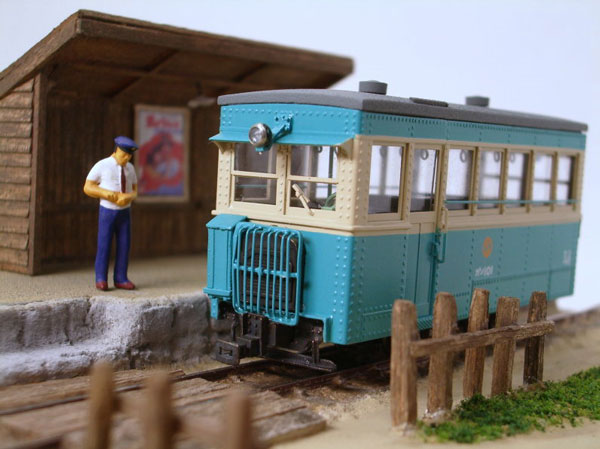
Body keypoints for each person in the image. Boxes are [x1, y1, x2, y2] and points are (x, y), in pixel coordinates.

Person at [83, 136, 138, 291]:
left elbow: (135, 190)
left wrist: (129, 197)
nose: (127, 158)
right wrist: (106, 194)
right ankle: (101, 278)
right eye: (124, 154)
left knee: (124, 245)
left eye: (129, 156)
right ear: (116, 150)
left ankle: (121, 278)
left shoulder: (130, 168)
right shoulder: (103, 165)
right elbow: (87, 187)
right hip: (107, 211)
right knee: (104, 244)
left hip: (124, 212)